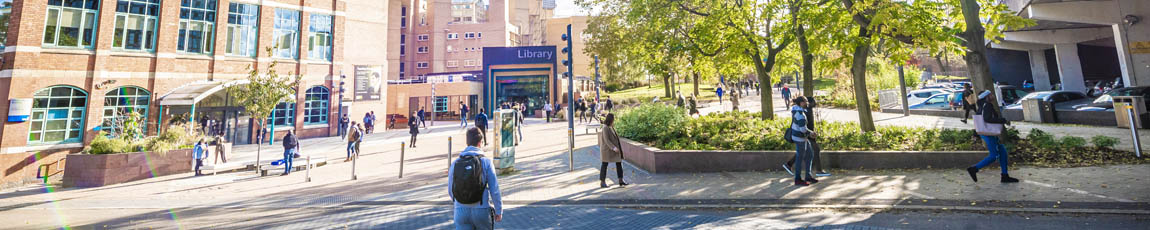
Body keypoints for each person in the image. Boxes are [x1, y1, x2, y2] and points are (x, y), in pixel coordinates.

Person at [448, 128, 503, 230]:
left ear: (467, 142)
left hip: (460, 211)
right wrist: (498, 210)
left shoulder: (455, 163)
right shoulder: (486, 162)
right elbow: (494, 189)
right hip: (481, 209)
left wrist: (460, 203)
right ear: (480, 143)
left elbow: (451, 190)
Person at [966, 91, 1020, 183]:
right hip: (989, 134)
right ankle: (974, 169)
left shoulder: (981, 105)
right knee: (994, 155)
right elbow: (987, 119)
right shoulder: (987, 105)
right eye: (991, 95)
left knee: (1002, 152)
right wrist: (1003, 120)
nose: (993, 96)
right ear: (986, 97)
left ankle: (1005, 176)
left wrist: (975, 133)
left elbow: (980, 120)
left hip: (988, 133)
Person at [784, 96, 829, 177]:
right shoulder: (804, 111)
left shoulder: (804, 110)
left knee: (803, 152)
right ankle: (817, 171)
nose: (814, 103)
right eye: (813, 102)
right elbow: (803, 127)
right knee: (815, 150)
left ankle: (789, 165)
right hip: (805, 134)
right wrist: (810, 133)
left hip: (805, 134)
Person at [789, 97, 818, 186]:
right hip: (800, 138)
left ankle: (808, 176)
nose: (807, 103)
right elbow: (802, 129)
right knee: (799, 158)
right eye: (805, 102)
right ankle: (797, 179)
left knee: (809, 155)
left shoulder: (796, 111)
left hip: (800, 137)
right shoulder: (800, 114)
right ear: (801, 103)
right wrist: (811, 133)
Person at [598, 113, 628, 188]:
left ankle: (621, 180)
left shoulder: (611, 126)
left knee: (619, 163)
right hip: (607, 150)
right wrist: (613, 148)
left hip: (615, 149)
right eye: (613, 119)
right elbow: (606, 140)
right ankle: (602, 182)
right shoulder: (605, 127)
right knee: (604, 165)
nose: (614, 121)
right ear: (610, 119)